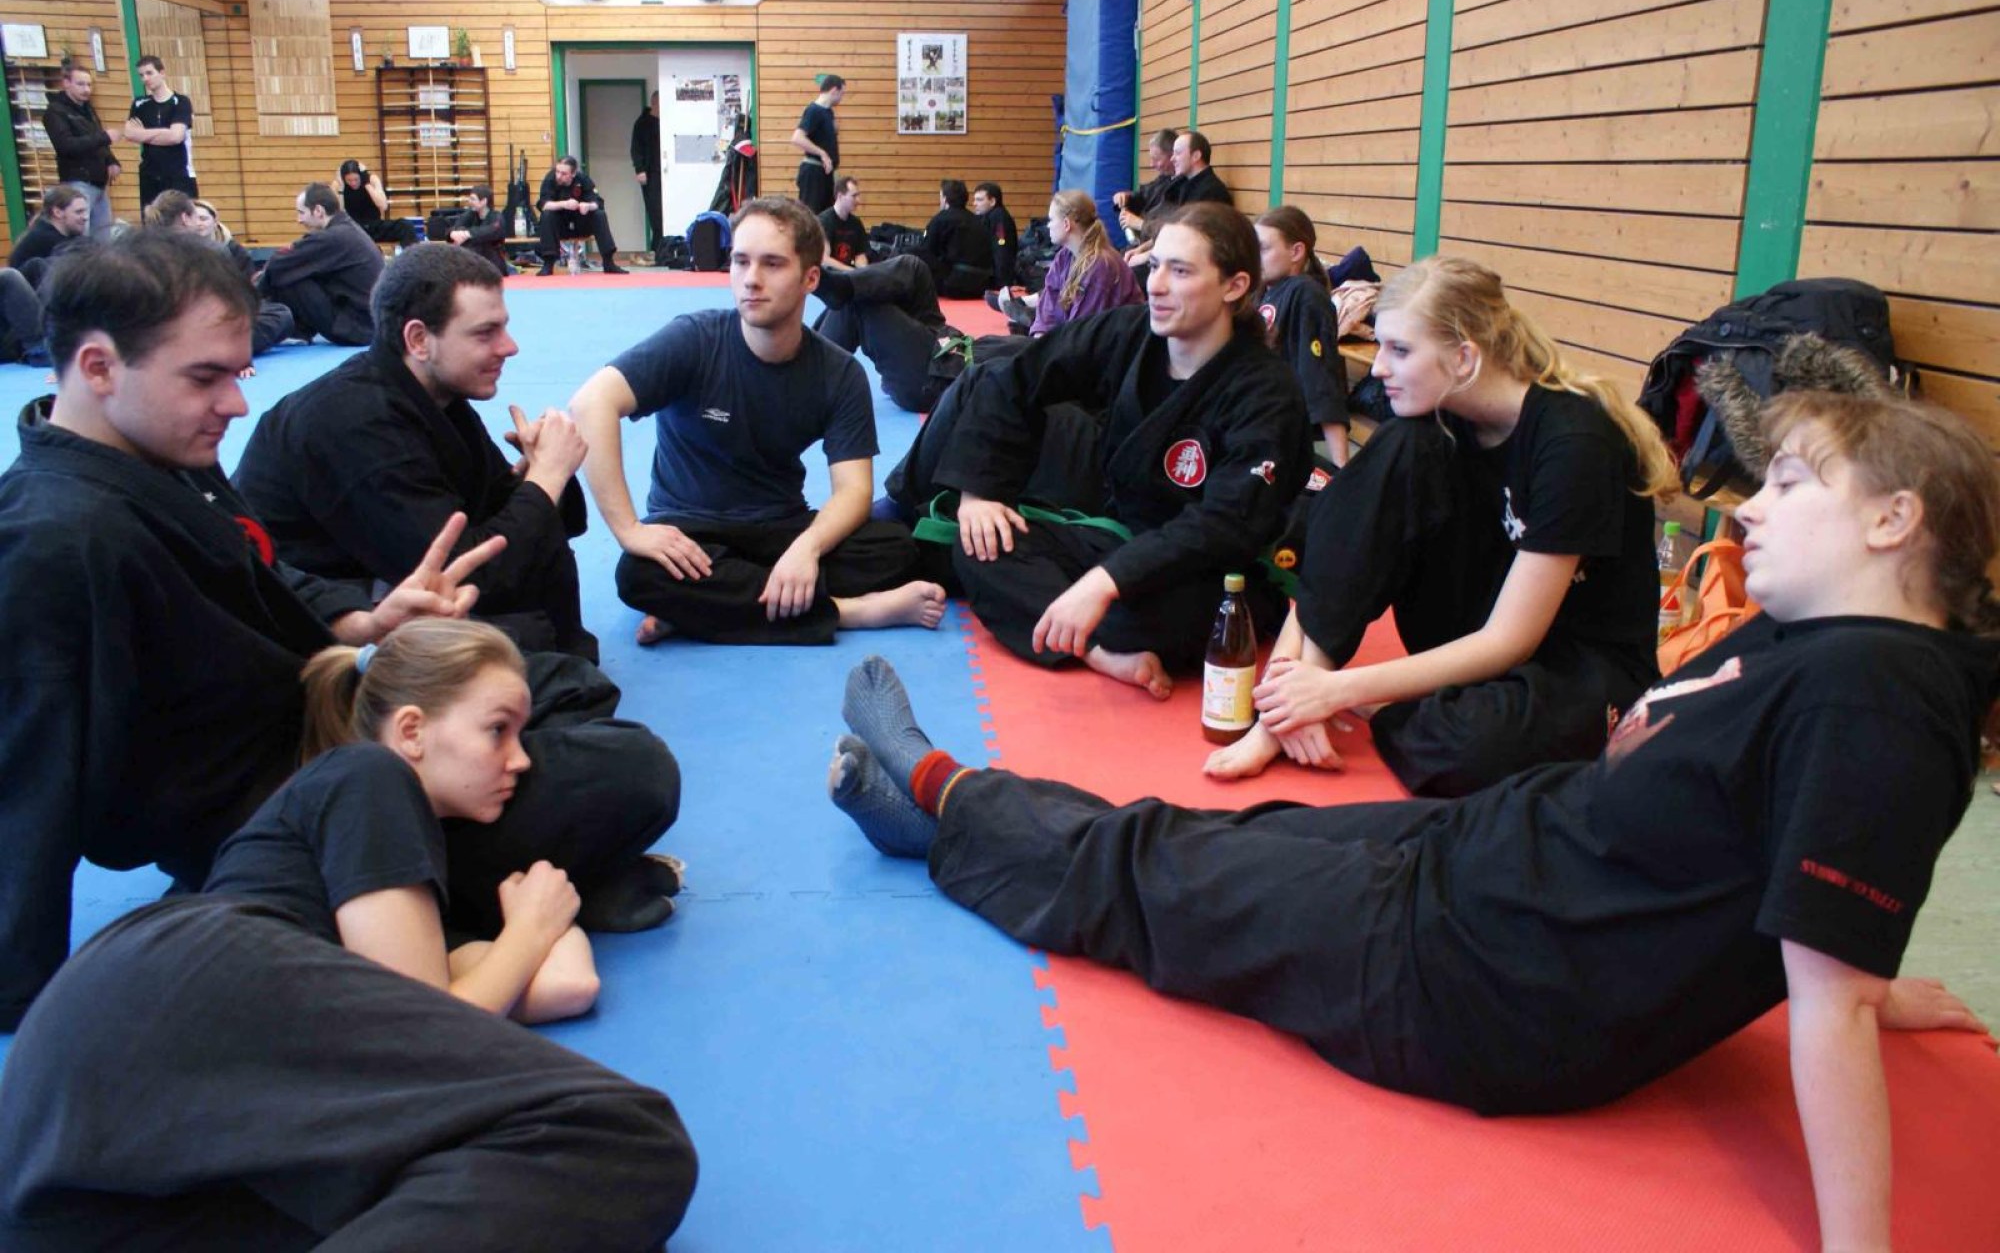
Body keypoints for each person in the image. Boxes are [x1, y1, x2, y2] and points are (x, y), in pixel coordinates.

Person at [829, 387, 2000, 1253]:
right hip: (1487, 861)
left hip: (1480, 980)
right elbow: (1797, 856)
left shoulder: (1878, 700)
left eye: (1790, 485)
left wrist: (1851, 1030)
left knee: (1159, 879)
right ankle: (942, 833)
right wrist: (1856, 968)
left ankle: (941, 793)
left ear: (1891, 522)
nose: (1749, 511)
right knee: (1219, 832)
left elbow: (1828, 987)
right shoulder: (1819, 639)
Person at [0, 231, 683, 1031]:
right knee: (632, 771)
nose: (236, 405)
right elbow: (28, 767)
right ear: (98, 368)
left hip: (333, 715)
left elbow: (263, 574)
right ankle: (390, 905)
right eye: (206, 378)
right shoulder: (55, 541)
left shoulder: (161, 454)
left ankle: (467, 888)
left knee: (555, 682)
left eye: (237, 375)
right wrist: (26, 1003)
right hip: (294, 813)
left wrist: (366, 621)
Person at [0, 628, 698, 1249]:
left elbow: (567, 986)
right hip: (165, 990)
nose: (518, 760)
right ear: (412, 731)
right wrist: (530, 927)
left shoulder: (408, 909)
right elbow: (434, 1021)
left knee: (482, 1192)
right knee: (618, 1138)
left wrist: (533, 925)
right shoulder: (367, 776)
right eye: (498, 731)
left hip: (98, 1136)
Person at [1204, 256, 1675, 795]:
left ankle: (1388, 706)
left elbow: (1510, 640)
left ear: (1464, 358)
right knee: (1400, 446)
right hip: (1477, 630)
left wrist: (1336, 691)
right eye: (1381, 346)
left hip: (1575, 664)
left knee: (1473, 749)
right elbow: (1340, 556)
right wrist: (1287, 695)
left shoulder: (1574, 443)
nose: (1378, 368)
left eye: (1400, 350)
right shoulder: (1437, 420)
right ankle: (1302, 711)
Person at [939, 202, 1311, 697]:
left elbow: (1225, 524)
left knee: (1171, 617)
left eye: (1180, 271)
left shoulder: (1266, 392)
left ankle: (1080, 621)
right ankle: (1097, 650)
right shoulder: (1130, 331)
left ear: (1234, 286)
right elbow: (1021, 376)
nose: (1155, 284)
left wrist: (1104, 582)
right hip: (1118, 530)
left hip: (1207, 569)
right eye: (1155, 266)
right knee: (981, 543)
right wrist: (978, 493)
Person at [570, 195, 946, 646]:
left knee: (896, 547)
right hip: (690, 530)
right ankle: (847, 612)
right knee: (639, 574)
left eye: (772, 264)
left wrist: (805, 549)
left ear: (810, 278)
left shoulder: (839, 372)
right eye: (740, 261)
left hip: (779, 527)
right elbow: (591, 403)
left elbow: (854, 490)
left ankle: (704, 607)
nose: (751, 279)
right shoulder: (694, 340)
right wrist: (630, 530)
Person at [236, 243, 599, 661]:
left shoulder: (436, 397)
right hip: (315, 615)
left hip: (382, 570)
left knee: (540, 568)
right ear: (419, 340)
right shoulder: (353, 422)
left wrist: (539, 475)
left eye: (504, 328)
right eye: (486, 333)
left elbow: (535, 525)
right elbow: (472, 574)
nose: (509, 346)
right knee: (520, 641)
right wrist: (545, 479)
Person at [146, 189, 294, 358]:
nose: (199, 223)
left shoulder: (142, 251)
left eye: (204, 219)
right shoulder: (211, 250)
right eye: (196, 217)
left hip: (156, 333)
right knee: (280, 314)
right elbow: (230, 301)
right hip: (201, 328)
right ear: (185, 218)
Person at [1256, 206, 1350, 464]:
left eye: (1263, 249)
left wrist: (1342, 466)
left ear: (1296, 252)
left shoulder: (1306, 294)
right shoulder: (1267, 291)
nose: (1254, 257)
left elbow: (1320, 375)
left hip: (1281, 428)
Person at [812, 252, 963, 414]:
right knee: (915, 270)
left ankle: (808, 377)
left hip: (938, 376)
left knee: (856, 298)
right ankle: (843, 286)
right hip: (941, 350)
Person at [257, 182, 385, 345]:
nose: (299, 220)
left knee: (287, 274)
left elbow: (278, 264)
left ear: (318, 211)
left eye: (301, 213)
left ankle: (266, 321)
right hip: (368, 324)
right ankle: (296, 329)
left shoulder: (334, 237)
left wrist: (253, 295)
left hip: (356, 329)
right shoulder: (347, 229)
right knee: (296, 269)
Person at [1027, 188, 1143, 336]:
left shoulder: (1100, 265)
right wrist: (1040, 333)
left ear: (1066, 224)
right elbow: (1049, 305)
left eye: (1051, 220)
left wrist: (1047, 345)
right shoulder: (1064, 256)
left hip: (1109, 344)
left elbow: (1081, 333)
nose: (1048, 225)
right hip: (1072, 337)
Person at [1123, 130, 1232, 269]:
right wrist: (1141, 249)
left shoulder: (1211, 192)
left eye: (1178, 153)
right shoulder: (1185, 184)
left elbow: (1187, 239)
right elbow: (1173, 229)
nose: (1173, 158)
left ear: (1196, 156)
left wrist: (1146, 256)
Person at [41, 60, 119, 234]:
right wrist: (104, 137)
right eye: (81, 84)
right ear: (66, 83)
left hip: (99, 183)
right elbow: (66, 145)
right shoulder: (55, 112)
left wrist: (111, 160)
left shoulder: (87, 109)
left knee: (103, 238)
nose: (86, 89)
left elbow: (97, 138)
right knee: (81, 236)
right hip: (77, 182)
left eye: (89, 85)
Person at [122, 54, 197, 208]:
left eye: (149, 73)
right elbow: (129, 134)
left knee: (182, 219)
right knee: (152, 220)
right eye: (141, 75)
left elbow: (176, 136)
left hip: (178, 174)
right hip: (150, 176)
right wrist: (163, 133)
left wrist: (143, 134)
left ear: (162, 73)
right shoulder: (139, 104)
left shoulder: (181, 102)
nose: (145, 78)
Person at [534, 156, 624, 276]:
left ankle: (608, 262)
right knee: (547, 215)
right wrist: (564, 204)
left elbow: (598, 203)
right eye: (557, 171)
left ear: (573, 173)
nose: (559, 176)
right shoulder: (550, 179)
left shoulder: (583, 179)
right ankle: (548, 264)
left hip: (581, 224)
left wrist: (588, 206)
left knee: (599, 214)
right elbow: (543, 205)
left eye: (564, 173)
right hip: (560, 226)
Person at [916, 179, 995, 300]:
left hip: (953, 286)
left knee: (916, 253)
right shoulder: (978, 221)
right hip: (981, 285)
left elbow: (927, 250)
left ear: (945, 199)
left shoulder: (940, 219)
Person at [6, 185, 89, 280]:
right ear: (57, 212)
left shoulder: (63, 236)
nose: (85, 217)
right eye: (78, 212)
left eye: (85, 211)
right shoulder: (44, 239)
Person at [790, 72, 844, 213]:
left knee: (825, 216)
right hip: (813, 174)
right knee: (811, 216)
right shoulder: (814, 110)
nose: (841, 98)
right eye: (841, 93)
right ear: (834, 90)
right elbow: (797, 138)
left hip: (825, 173)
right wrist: (822, 153)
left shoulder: (828, 112)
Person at [1112, 127, 1177, 243]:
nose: (1152, 164)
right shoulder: (1164, 179)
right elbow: (1144, 194)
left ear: (1172, 156)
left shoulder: (1184, 189)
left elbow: (1171, 232)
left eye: (1157, 159)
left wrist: (1140, 224)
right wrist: (1125, 198)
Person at [337, 159, 417, 248]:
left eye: (356, 179)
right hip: (354, 230)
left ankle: (410, 255)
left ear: (361, 176)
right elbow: (338, 213)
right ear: (343, 179)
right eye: (349, 180)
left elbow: (383, 206)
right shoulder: (338, 185)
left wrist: (366, 183)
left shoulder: (372, 180)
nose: (353, 183)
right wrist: (341, 190)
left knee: (406, 225)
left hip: (374, 226)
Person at [448, 183, 510, 272]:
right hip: (472, 261)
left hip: (493, 264)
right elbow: (455, 228)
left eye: (473, 199)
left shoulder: (496, 217)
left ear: (484, 201)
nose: (469, 201)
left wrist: (467, 234)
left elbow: (489, 232)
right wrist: (452, 233)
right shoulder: (470, 214)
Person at [632, 90, 662, 256]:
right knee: (655, 213)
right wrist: (640, 169)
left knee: (664, 212)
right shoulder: (642, 123)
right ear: (654, 103)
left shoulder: (667, 120)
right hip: (650, 174)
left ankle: (662, 249)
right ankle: (656, 249)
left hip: (664, 173)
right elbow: (635, 149)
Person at [972, 181, 1018, 291]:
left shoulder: (999, 218)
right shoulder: (987, 217)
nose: (974, 203)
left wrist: (1002, 283)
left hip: (997, 279)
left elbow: (1002, 249)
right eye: (975, 200)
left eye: (979, 200)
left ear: (992, 201)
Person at [819, 175, 871, 267]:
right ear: (840, 196)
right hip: (831, 274)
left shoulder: (856, 223)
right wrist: (850, 272)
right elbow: (824, 259)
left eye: (858, 196)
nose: (858, 200)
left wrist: (863, 271)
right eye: (854, 196)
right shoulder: (824, 221)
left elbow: (860, 255)